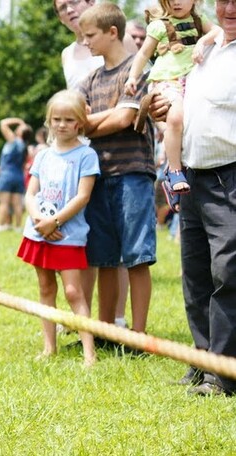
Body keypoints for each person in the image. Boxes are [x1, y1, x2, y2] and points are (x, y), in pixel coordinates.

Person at [78, 3, 157, 334]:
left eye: (90, 35)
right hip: (100, 176)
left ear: (113, 33)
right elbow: (74, 121)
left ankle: (138, 334)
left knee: (137, 256)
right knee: (104, 258)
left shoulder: (137, 71)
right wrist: (101, 119)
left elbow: (127, 118)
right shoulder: (90, 80)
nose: (85, 42)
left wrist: (90, 122)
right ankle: (106, 329)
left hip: (133, 174)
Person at [175, 0, 236, 396]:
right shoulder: (209, 47)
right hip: (192, 175)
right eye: (224, 0)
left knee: (229, 274)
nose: (230, 8)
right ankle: (202, 359)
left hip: (230, 174)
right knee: (195, 273)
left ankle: (224, 374)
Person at [17, 90, 99, 366]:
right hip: (39, 231)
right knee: (45, 288)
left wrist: (56, 221)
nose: (61, 125)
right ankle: (49, 347)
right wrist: (40, 220)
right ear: (48, 121)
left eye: (68, 119)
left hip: (67, 234)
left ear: (79, 122)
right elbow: (30, 193)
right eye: (56, 119)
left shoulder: (86, 155)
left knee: (74, 292)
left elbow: (83, 196)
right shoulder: (42, 155)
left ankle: (89, 352)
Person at [124, 0, 220, 195]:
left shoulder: (199, 20)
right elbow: (143, 54)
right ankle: (175, 170)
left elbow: (218, 32)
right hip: (167, 79)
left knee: (192, 126)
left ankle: (176, 178)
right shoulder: (160, 25)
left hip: (192, 80)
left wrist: (201, 41)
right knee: (175, 118)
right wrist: (132, 77)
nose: (176, 2)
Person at [54, 0, 139, 90]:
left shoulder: (120, 39)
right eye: (62, 8)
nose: (69, 10)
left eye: (74, 2)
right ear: (60, 18)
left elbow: (140, 82)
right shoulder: (66, 54)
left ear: (91, 2)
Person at [0, 117, 32, 233]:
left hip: (6, 175)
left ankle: (2, 225)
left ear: (21, 132)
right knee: (17, 203)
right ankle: (18, 227)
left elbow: (2, 123)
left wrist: (18, 120)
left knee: (4, 202)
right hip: (19, 176)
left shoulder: (13, 140)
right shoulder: (25, 146)